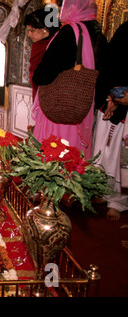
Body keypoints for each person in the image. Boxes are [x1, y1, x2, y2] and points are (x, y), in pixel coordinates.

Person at [31, 0, 107, 159]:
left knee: (54, 155)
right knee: (74, 159)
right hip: (83, 109)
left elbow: (45, 73)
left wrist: (37, 75)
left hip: (59, 109)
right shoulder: (97, 33)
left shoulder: (68, 32)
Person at [93, 21, 128, 221]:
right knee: (103, 153)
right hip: (109, 100)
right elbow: (109, 66)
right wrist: (110, 97)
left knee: (118, 157)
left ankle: (118, 201)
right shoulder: (123, 30)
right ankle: (103, 192)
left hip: (124, 110)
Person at [24, 8, 60, 100]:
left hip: (51, 99)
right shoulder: (38, 45)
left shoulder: (56, 46)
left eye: (31, 30)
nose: (29, 34)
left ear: (45, 29)